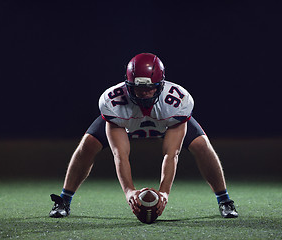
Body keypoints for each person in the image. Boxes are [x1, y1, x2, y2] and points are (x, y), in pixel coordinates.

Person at [49, 53, 238, 219]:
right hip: (126, 123)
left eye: (150, 88)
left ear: (161, 85)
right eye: (138, 88)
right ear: (128, 84)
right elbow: (120, 155)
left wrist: (164, 193)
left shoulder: (176, 102)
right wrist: (129, 191)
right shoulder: (114, 102)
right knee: (88, 145)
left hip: (165, 122)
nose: (144, 94)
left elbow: (171, 154)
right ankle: (64, 200)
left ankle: (224, 200)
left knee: (202, 145)